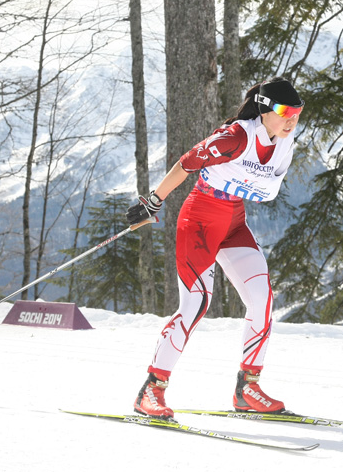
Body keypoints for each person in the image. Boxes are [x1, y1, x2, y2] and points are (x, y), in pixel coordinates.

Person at [126, 77, 304, 419]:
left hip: (233, 220)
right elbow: (185, 163)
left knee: (262, 298)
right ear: (265, 109)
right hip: (200, 221)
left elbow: (264, 186)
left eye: (297, 112)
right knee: (195, 304)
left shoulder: (284, 140)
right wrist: (153, 202)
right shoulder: (235, 136)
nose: (292, 119)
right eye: (285, 112)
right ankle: (151, 390)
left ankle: (247, 388)